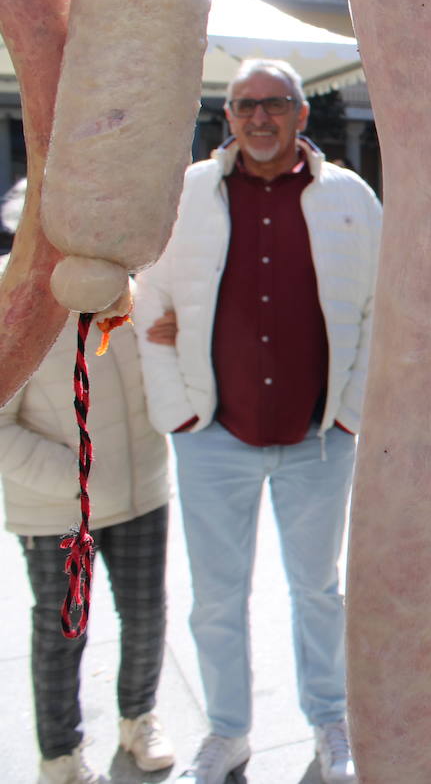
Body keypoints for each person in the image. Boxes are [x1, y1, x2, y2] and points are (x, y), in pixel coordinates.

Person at [136, 59, 381, 784]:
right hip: (216, 436)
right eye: (245, 106)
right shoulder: (187, 196)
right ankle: (228, 733)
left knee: (318, 592)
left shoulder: (350, 199)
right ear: (229, 119)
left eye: (276, 104)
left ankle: (330, 724)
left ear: (302, 116)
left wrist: (348, 414)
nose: (260, 118)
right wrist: (178, 411)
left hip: (317, 440)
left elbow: (378, 310)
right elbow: (150, 300)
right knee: (216, 598)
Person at [2, 192, 174, 784]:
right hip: (56, 509)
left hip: (143, 491)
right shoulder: (12, 298)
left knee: (147, 617)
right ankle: (60, 758)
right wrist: (73, 482)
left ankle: (138, 720)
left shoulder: (132, 287)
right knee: (60, 634)